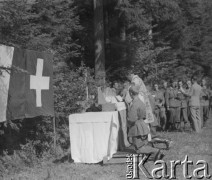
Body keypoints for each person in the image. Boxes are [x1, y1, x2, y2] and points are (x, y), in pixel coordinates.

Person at [127, 85, 163, 161]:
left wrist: (127, 121)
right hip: (142, 125)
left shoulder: (134, 104)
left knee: (139, 148)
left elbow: (132, 119)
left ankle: (156, 152)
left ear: (131, 93)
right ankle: (154, 153)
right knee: (141, 145)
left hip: (137, 127)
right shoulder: (141, 102)